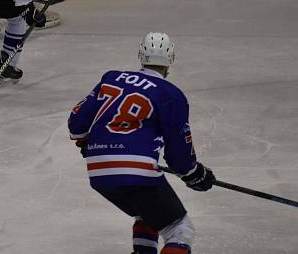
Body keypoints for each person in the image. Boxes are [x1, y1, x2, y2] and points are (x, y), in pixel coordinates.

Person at [67, 32, 215, 254]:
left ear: (141, 55)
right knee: (179, 230)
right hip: (137, 171)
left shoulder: (111, 78)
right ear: (171, 60)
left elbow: (76, 125)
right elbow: (178, 156)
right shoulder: (171, 95)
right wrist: (195, 174)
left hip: (98, 172)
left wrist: (89, 144)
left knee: (148, 215)